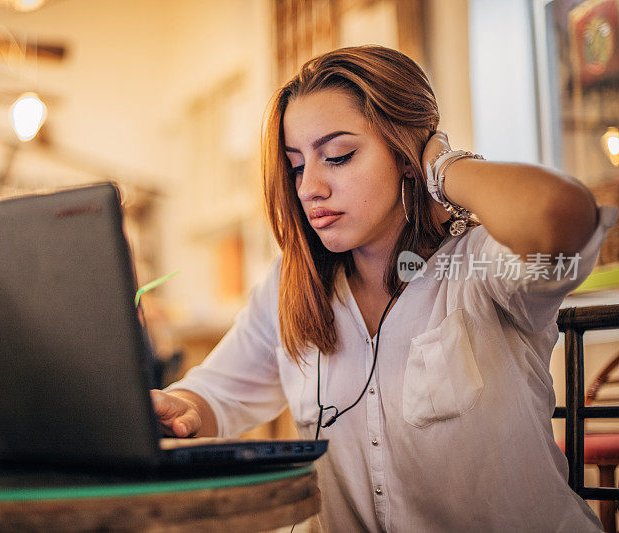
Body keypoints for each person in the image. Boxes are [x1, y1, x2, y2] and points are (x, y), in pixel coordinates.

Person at [150, 45, 616, 532]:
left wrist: (442, 166)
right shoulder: (293, 286)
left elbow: (558, 216)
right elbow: (214, 396)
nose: (310, 187)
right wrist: (182, 408)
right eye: (296, 166)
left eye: (338, 156)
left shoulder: (480, 266)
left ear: (405, 153)